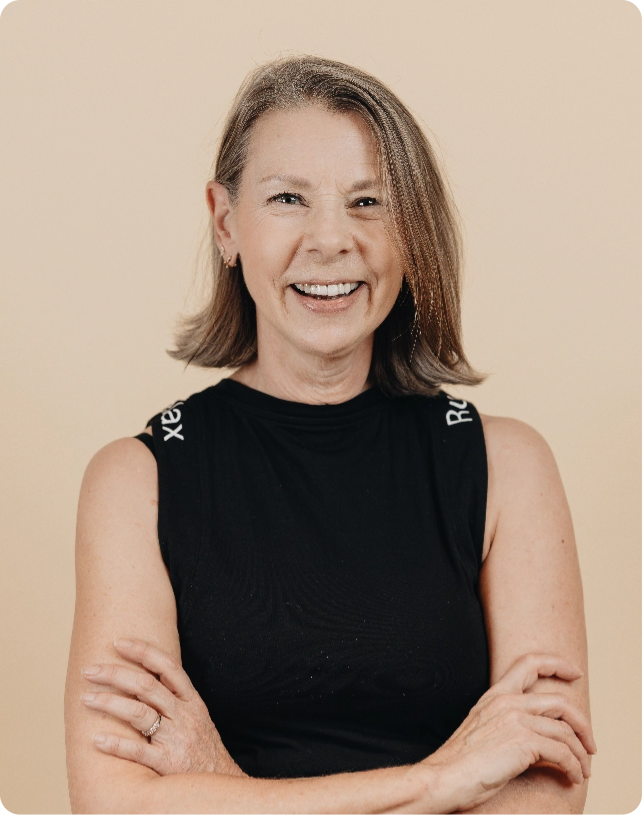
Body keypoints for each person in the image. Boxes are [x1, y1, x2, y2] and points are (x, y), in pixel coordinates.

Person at [64, 55, 595, 815]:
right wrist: (441, 779)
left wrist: (220, 790)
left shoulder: (507, 466)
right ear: (224, 221)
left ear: (409, 230)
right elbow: (111, 804)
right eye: (288, 198)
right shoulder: (136, 479)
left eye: (368, 201)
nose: (330, 240)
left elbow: (544, 796)